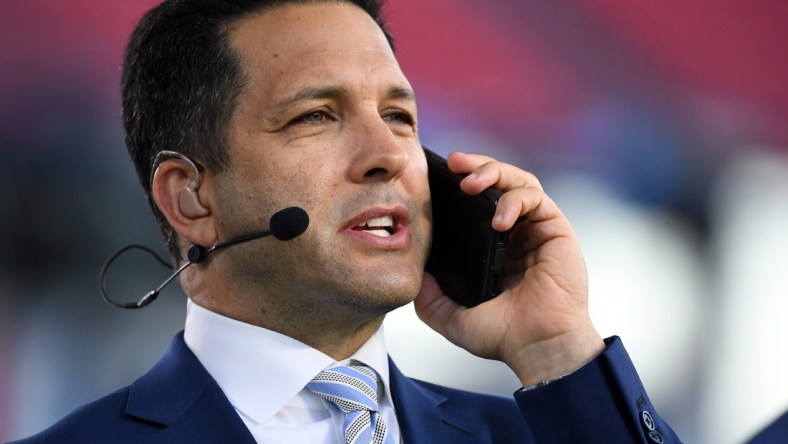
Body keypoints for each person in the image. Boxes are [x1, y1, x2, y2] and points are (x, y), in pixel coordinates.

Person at [11, 0, 681, 443]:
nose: (390, 155)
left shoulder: (536, 431)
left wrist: (558, 351)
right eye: (315, 117)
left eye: (400, 117)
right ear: (190, 199)